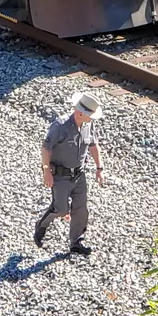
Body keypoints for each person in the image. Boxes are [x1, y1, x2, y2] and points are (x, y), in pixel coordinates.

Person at [34, 92, 104, 256]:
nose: (92, 119)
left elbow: (93, 145)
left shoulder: (88, 125)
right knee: (61, 209)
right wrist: (46, 171)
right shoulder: (60, 127)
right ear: (80, 113)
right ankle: (42, 225)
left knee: (81, 209)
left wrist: (99, 168)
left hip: (79, 175)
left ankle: (76, 242)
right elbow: (46, 149)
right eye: (90, 115)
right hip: (60, 176)